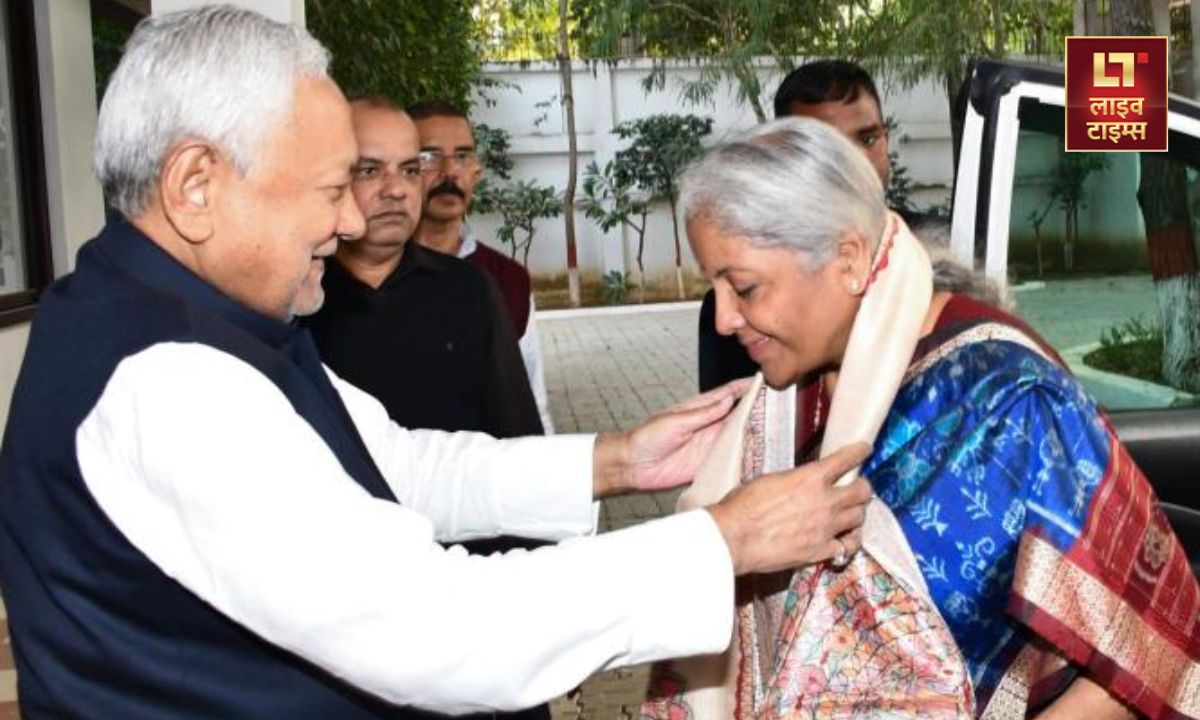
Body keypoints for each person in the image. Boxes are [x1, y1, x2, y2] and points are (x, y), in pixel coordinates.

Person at [0, 7, 874, 719]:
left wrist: (616, 462)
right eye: (331, 188)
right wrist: (724, 541)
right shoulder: (169, 383)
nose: (350, 221)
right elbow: (436, 627)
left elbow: (394, 464)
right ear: (196, 185)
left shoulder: (192, 317)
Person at [646, 117, 1200, 719]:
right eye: (715, 289)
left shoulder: (1007, 398)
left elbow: (1154, 648)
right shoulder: (779, 408)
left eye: (746, 288)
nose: (723, 319)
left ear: (848, 260)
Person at [304, 99, 551, 720]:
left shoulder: (469, 291)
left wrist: (539, 616)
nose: (395, 189)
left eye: (408, 170)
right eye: (369, 170)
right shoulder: (298, 300)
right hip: (341, 610)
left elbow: (517, 438)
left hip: (472, 589)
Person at [697, 59, 914, 392]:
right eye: (826, 147)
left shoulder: (938, 265)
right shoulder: (734, 319)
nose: (854, 160)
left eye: (868, 138)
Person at [408, 100, 555, 433]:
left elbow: (531, 395)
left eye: (462, 156)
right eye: (429, 156)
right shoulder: (375, 275)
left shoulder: (508, 279)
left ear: (476, 171)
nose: (449, 172)